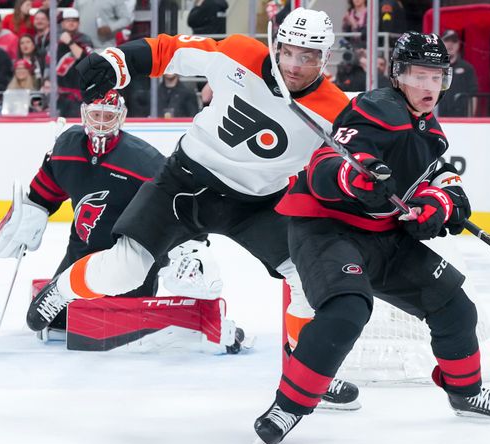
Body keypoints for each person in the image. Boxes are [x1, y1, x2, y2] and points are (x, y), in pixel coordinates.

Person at [25, 7, 360, 409]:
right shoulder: (239, 52)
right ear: (275, 45)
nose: (295, 64)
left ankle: (308, 373)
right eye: (288, 51)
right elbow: (170, 51)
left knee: (307, 280)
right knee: (124, 269)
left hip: (258, 201)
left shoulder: (337, 111)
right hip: (185, 182)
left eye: (308, 56)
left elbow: (360, 163)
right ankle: (59, 290)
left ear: (325, 58)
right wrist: (115, 61)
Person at [252, 31, 490, 444]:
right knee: (346, 310)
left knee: (455, 306)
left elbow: (439, 180)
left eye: (437, 78)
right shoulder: (374, 109)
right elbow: (329, 165)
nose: (429, 87)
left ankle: (466, 393)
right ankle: (288, 406)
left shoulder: (431, 131)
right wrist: (356, 177)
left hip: (380, 237)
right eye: (419, 76)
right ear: (398, 76)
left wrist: (441, 205)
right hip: (327, 227)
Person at [0, 91, 167, 330]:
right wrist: (29, 217)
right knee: (59, 322)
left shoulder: (144, 161)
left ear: (121, 117)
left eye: (108, 116)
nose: (101, 122)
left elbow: (172, 205)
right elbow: (45, 192)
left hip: (127, 256)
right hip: (81, 252)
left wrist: (183, 250)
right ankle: (65, 288)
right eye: (96, 114)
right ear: (84, 114)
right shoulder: (66, 148)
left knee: (120, 323)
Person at [54, 8, 94, 117]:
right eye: (68, 20)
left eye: (74, 20)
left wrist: (70, 42)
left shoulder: (84, 39)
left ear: (79, 23)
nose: (71, 23)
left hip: (78, 94)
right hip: (59, 94)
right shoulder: (55, 41)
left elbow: (87, 59)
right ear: (62, 23)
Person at [436, 29, 478, 117]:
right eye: (447, 40)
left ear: (459, 45)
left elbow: (473, 95)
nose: (450, 44)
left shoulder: (467, 68)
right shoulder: (434, 67)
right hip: (438, 118)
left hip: (461, 119)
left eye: (454, 41)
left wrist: (471, 119)